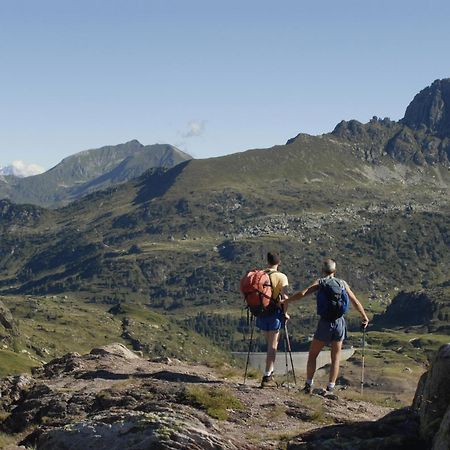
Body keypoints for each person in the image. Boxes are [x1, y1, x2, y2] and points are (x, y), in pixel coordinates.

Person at [286, 258, 369, 394]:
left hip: (325, 322)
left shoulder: (320, 282)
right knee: (336, 357)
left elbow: (302, 294)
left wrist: (287, 300)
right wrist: (364, 317)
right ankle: (330, 387)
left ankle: (308, 385)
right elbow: (355, 301)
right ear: (335, 271)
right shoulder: (342, 283)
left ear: (322, 270)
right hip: (339, 322)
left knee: (313, 354)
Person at [256, 251, 289, 388]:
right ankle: (267, 375)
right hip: (275, 313)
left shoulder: (260, 275)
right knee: (273, 345)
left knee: (268, 342)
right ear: (279, 262)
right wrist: (285, 313)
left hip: (261, 312)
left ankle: (269, 371)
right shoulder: (281, 277)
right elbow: (285, 298)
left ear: (267, 261)